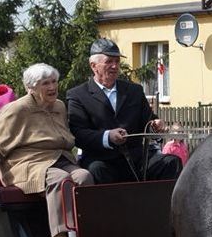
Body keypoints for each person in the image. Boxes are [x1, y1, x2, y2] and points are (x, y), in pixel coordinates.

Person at [0, 64, 93, 237]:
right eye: (45, 83)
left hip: (59, 158)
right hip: (26, 163)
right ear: (30, 88)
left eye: (54, 82)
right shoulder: (18, 109)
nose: (52, 87)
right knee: (60, 180)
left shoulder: (59, 106)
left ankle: (86, 236)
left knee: (84, 176)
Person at [67, 38, 180, 183]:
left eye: (117, 61)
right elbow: (78, 134)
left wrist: (155, 126)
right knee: (96, 170)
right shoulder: (78, 95)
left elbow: (147, 122)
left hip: (137, 160)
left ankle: (163, 199)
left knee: (171, 162)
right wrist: (107, 137)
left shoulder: (134, 91)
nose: (114, 66)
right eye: (109, 61)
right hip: (103, 161)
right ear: (93, 66)